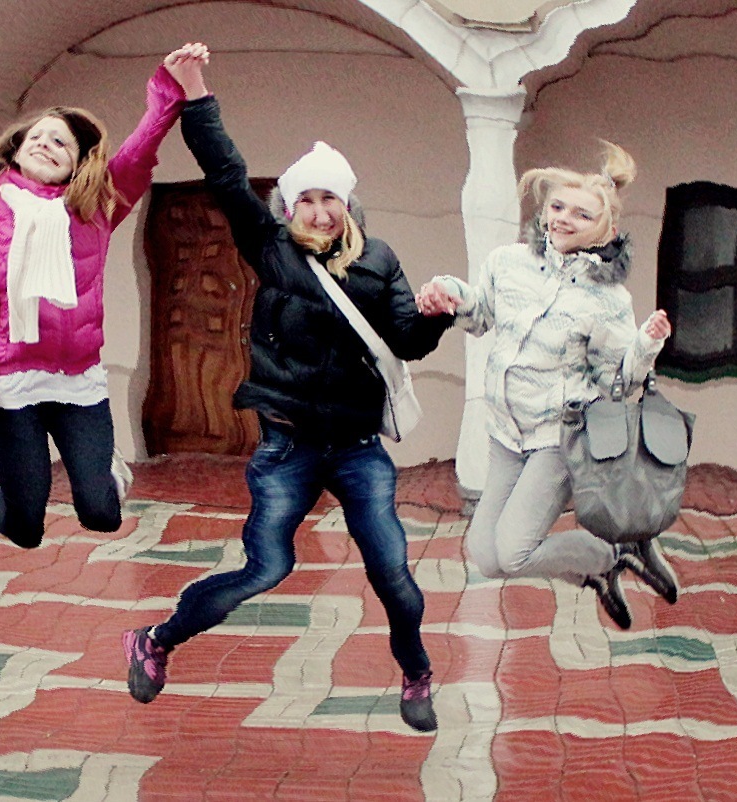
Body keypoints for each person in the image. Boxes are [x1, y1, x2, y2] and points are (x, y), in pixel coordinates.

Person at [121, 50, 453, 732]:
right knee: (265, 568)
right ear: (289, 204)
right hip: (287, 448)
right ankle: (156, 640)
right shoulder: (270, 248)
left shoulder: (379, 260)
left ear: (348, 204)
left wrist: (433, 315)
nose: (320, 210)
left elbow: (407, 340)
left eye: (331, 198)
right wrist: (196, 91)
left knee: (392, 571)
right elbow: (225, 172)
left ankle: (416, 673)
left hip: (357, 449)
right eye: (307, 198)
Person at [0, 44, 208, 556]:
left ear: (77, 163)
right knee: (25, 529)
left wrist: (169, 89)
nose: (45, 144)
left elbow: (138, 154)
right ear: (16, 151)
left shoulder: (93, 208)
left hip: (79, 384)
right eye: (36, 137)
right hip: (15, 388)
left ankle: (100, 469)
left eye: (60, 143)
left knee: (102, 514)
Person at [415, 142, 677, 630]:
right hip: (505, 432)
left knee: (514, 552)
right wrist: (450, 294)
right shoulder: (507, 263)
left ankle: (612, 552)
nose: (563, 219)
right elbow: (481, 314)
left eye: (581, 214)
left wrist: (645, 345)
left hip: (557, 439)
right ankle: (598, 571)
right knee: (486, 556)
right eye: (558, 207)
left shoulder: (608, 299)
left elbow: (620, 382)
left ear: (607, 230)